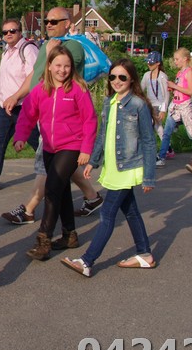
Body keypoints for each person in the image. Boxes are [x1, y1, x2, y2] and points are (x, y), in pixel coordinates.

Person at [1, 8, 104, 227]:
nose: (48, 24)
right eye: (47, 21)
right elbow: (36, 74)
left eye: (54, 21)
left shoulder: (73, 46)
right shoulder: (48, 45)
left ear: (67, 23)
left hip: (63, 121)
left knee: (45, 164)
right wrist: (17, 95)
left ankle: (28, 210)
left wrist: (50, 53)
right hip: (45, 113)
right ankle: (92, 197)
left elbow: (60, 74)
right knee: (63, 166)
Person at [61, 58, 157, 278]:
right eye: (112, 76)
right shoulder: (109, 101)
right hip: (112, 167)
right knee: (130, 211)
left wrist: (149, 176)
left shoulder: (138, 105)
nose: (116, 81)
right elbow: (103, 135)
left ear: (131, 79)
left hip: (127, 168)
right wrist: (93, 161)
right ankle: (145, 254)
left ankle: (87, 261)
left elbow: (149, 141)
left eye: (122, 77)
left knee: (106, 214)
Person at [13, 46, 97, 262]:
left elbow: (90, 120)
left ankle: (44, 241)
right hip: (49, 147)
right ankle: (69, 235)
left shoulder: (78, 89)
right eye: (58, 65)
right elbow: (27, 114)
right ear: (49, 65)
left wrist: (86, 149)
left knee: (52, 189)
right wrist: (21, 136)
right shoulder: (41, 89)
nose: (62, 70)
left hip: (71, 146)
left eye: (67, 66)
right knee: (63, 190)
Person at [0, 18, 38, 191]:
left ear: (20, 31)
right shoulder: (6, 52)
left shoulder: (28, 49)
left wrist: (16, 97)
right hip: (6, 108)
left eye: (13, 31)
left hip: (24, 106)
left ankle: (61, 172)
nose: (9, 34)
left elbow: (34, 77)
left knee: (38, 142)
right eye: (5, 32)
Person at [157, 48, 192, 166]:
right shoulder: (179, 73)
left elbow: (190, 91)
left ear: (185, 59)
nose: (175, 62)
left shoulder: (189, 72)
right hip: (175, 105)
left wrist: (175, 86)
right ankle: (162, 156)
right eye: (174, 59)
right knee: (167, 132)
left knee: (191, 134)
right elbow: (180, 88)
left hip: (185, 106)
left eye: (177, 59)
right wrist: (173, 88)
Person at [141, 52, 168, 139]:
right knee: (157, 126)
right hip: (149, 105)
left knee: (154, 125)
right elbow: (141, 89)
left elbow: (166, 95)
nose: (149, 64)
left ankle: (164, 144)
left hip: (159, 105)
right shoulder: (146, 75)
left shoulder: (162, 76)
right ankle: (166, 145)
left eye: (151, 63)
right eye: (148, 62)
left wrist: (163, 110)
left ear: (158, 63)